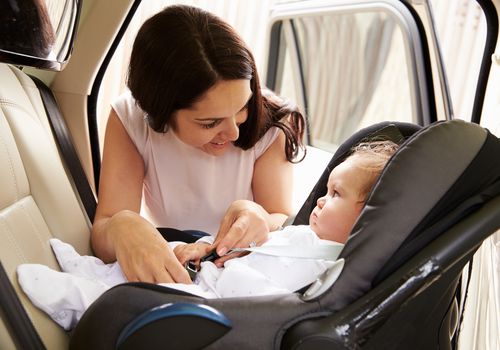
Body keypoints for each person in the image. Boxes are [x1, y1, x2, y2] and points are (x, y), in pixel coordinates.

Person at [17, 140, 399, 330]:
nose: (318, 201)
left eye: (335, 196)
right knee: (162, 252)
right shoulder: (309, 239)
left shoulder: (323, 264)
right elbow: (265, 246)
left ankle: (76, 300)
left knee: (151, 293)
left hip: (220, 301)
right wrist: (215, 250)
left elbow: (272, 299)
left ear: (367, 216)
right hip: (215, 275)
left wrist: (228, 268)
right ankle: (86, 270)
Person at [92, 5, 306, 285]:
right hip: (179, 256)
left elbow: (281, 217)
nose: (232, 132)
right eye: (210, 123)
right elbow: (105, 226)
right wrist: (123, 226)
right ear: (161, 112)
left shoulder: (272, 123)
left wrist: (261, 219)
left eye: (241, 107)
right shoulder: (130, 119)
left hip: (241, 267)